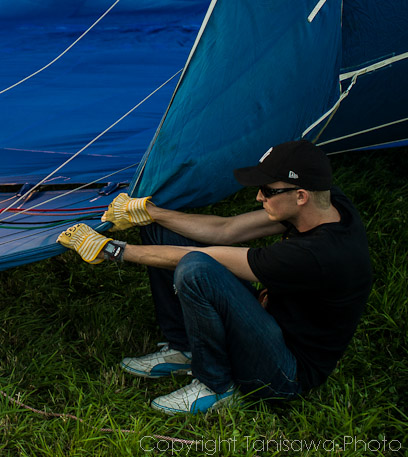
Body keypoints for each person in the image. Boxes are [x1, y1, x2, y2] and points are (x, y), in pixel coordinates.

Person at [57, 140, 372, 415]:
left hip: (286, 372)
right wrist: (154, 213)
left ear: (301, 196)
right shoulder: (327, 203)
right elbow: (226, 229)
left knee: (196, 271)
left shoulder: (317, 255)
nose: (259, 198)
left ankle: (217, 386)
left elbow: (203, 260)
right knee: (160, 231)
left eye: (268, 191)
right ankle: (185, 349)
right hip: (271, 322)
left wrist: (113, 250)